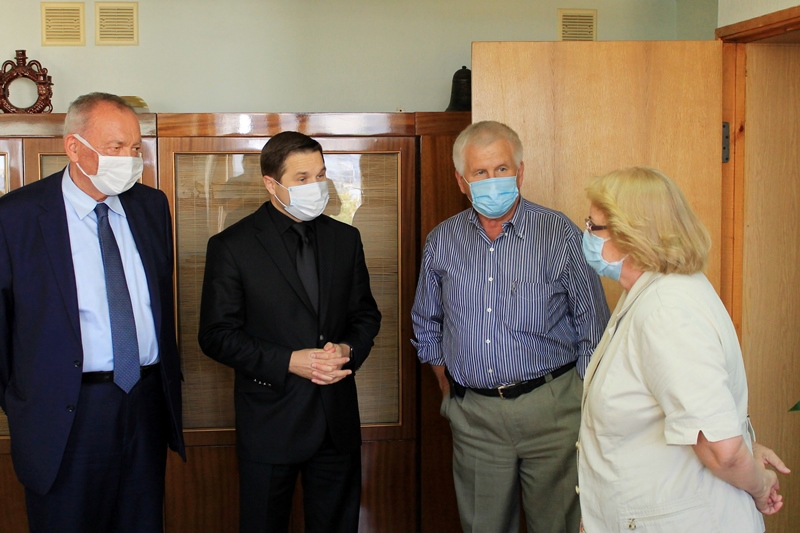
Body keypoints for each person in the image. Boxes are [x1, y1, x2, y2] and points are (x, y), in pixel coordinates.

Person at [412, 120, 610, 533]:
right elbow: (426, 324)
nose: (492, 180)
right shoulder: (442, 241)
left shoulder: (560, 234)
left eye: (501, 169)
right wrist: (451, 394)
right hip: (475, 417)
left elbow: (594, 327)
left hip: (552, 410)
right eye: (480, 172)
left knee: (556, 525)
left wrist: (579, 403)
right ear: (462, 181)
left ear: (520, 172)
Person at [0, 92, 185, 532]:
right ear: (74, 147)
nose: (129, 159)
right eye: (115, 147)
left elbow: (158, 301)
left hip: (144, 402)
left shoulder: (150, 206)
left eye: (135, 147)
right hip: (65, 411)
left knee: (141, 521)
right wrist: (25, 400)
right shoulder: (16, 216)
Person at [577, 166, 790, 531]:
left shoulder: (667, 311)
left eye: (593, 227)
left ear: (629, 236)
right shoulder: (651, 293)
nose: (587, 235)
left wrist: (761, 486)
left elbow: (721, 449)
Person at [198, 131, 381, 533]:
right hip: (270, 422)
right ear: (271, 184)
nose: (316, 186)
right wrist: (288, 361)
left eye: (321, 175)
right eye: (302, 178)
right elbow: (216, 334)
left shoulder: (345, 239)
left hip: (336, 422)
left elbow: (366, 315)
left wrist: (347, 350)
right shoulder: (232, 246)